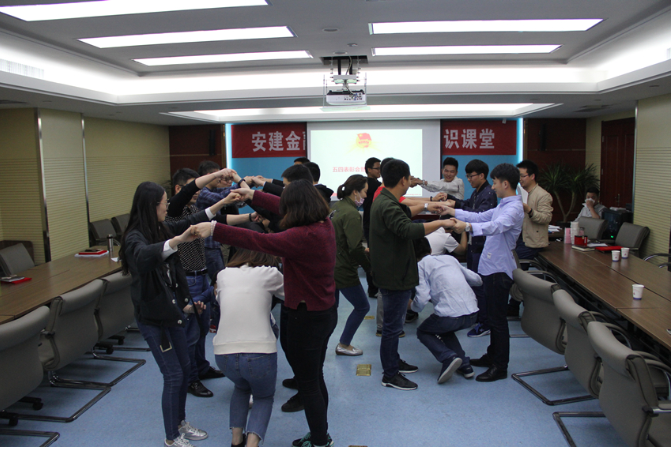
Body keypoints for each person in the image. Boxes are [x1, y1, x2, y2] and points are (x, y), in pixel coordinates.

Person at [192, 180, 337, 447]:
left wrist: (214, 229)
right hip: (322, 312)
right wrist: (252, 195)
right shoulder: (323, 222)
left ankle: (319, 441)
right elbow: (284, 205)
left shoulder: (302, 236)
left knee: (309, 384)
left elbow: (258, 240)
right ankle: (321, 435)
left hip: (306, 318)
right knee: (315, 377)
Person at [119, 181, 234, 447]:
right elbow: (143, 257)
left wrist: (221, 204)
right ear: (152, 205)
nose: (167, 207)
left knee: (184, 369)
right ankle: (171, 438)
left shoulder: (159, 228)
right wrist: (178, 241)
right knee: (173, 375)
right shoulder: (135, 237)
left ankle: (180, 423)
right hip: (154, 319)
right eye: (164, 202)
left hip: (173, 313)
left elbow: (191, 221)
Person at [369, 158, 459, 391]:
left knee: (394, 324)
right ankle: (390, 374)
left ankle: (393, 361)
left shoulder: (385, 199)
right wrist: (440, 223)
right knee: (392, 327)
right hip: (394, 274)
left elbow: (405, 212)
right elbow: (407, 228)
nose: (410, 182)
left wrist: (429, 206)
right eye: (409, 178)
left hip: (393, 270)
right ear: (403, 180)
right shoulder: (387, 204)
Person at [168, 168, 256, 398]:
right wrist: (221, 187)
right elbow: (196, 198)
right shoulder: (173, 212)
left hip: (201, 276)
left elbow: (220, 220)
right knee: (190, 333)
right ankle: (191, 379)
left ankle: (201, 367)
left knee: (201, 328)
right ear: (179, 189)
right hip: (186, 278)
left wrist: (250, 217)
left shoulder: (194, 208)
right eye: (194, 186)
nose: (198, 191)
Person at [442, 163, 524, 382]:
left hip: (499, 270)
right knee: (493, 318)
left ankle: (500, 366)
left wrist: (467, 227)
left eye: (495, 183)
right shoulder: (504, 205)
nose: (493, 187)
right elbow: (481, 216)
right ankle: (492, 356)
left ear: (505, 183)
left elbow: (496, 226)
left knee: (498, 321)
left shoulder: (514, 208)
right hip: (491, 267)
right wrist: (452, 211)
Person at [214, 249, 284, 447]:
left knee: (241, 388)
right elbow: (293, 295)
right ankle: (251, 445)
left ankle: (236, 441)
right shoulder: (270, 273)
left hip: (223, 353)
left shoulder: (223, 274)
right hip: (259, 351)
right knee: (263, 397)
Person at [411, 237, 481, 384]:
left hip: (450, 317)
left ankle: (447, 357)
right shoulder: (449, 259)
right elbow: (477, 280)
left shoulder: (419, 266)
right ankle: (465, 365)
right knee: (445, 330)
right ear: (430, 250)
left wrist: (411, 306)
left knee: (423, 331)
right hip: (473, 313)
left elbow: (422, 299)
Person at [444, 159, 497, 339]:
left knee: (480, 285)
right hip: (475, 244)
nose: (468, 180)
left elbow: (479, 216)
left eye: (471, 176)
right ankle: (479, 317)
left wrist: (455, 211)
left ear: (482, 175)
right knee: (474, 283)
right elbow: (467, 205)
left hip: (482, 245)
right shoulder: (477, 192)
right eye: (466, 176)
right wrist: (453, 202)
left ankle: (485, 323)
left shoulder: (488, 193)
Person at [331, 175, 371, 356]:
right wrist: (369, 268)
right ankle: (344, 343)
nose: (365, 196)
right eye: (364, 192)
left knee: (331, 309)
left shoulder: (335, 208)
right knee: (362, 306)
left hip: (330, 265)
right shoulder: (352, 214)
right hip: (343, 268)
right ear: (355, 192)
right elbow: (354, 248)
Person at [508, 160, 553, 318]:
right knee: (515, 270)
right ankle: (515, 306)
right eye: (518, 176)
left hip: (533, 242)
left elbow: (546, 218)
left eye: (523, 176)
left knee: (517, 272)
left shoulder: (542, 195)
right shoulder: (521, 192)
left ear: (532, 176)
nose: (520, 179)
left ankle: (515, 306)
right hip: (521, 238)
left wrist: (529, 210)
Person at [361, 157, 381, 297]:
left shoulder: (369, 183)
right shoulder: (373, 184)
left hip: (370, 223)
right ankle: (373, 289)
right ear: (369, 169)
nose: (380, 171)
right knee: (374, 256)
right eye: (377, 168)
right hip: (372, 224)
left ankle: (373, 288)